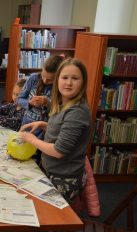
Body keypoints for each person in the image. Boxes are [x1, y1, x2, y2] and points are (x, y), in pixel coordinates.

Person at [20, 58, 91, 204]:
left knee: (49, 219)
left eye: (75, 78)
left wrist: (32, 139)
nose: (69, 83)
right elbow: (62, 131)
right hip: (51, 171)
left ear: (83, 82)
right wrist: (43, 124)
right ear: (57, 80)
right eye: (65, 77)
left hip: (63, 178)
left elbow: (59, 151)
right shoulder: (62, 103)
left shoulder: (76, 111)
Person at [17, 54, 64, 138]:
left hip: (44, 133)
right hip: (26, 126)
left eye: (50, 80)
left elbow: (60, 114)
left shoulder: (61, 87)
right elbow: (19, 99)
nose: (45, 81)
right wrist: (29, 103)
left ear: (58, 77)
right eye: (43, 76)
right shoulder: (33, 78)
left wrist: (47, 104)